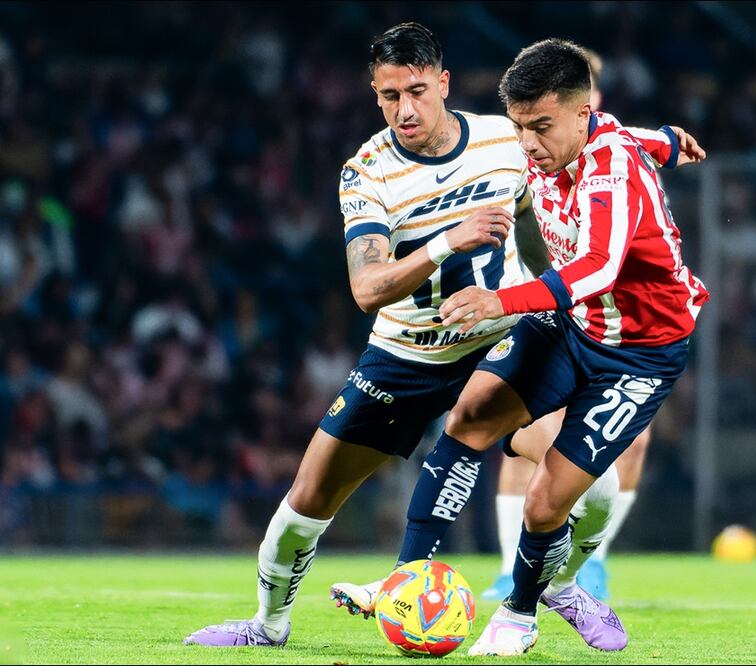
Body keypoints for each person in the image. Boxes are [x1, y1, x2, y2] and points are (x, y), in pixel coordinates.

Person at [183, 23, 697, 650]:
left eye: (417, 91)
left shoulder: (503, 137)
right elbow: (368, 289)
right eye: (388, 95)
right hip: (407, 353)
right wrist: (446, 241)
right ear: (374, 96)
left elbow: (591, 133)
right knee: (306, 499)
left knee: (589, 481)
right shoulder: (366, 174)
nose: (404, 109)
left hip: (505, 326)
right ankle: (267, 626)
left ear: (444, 84)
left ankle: (544, 581)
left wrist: (665, 141)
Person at [334, 38, 707, 657]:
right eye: (519, 127)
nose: (527, 145)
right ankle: (407, 582)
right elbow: (635, 135)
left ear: (579, 114)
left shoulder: (608, 171)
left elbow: (595, 269)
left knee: (544, 505)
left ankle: (523, 611)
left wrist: (497, 302)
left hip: (639, 352)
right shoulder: (560, 140)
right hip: (574, 326)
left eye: (540, 128)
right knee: (470, 417)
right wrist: (670, 138)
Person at [484, 46, 653, 603]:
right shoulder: (527, 151)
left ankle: (590, 562)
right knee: (532, 431)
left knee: (629, 440)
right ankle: (515, 568)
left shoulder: (610, 155)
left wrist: (672, 143)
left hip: (601, 315)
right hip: (539, 302)